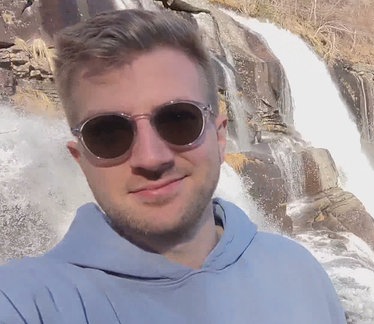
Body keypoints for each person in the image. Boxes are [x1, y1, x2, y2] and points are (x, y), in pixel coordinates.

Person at [0, 9, 346, 323]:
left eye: (179, 120)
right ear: (82, 159)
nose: (152, 157)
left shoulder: (301, 272)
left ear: (220, 136)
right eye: (108, 134)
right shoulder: (27, 302)